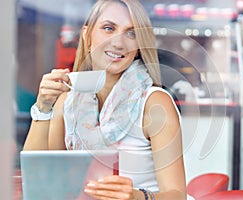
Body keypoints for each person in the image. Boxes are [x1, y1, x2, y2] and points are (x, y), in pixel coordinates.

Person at [23, 0, 187, 199]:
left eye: (131, 33)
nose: (118, 43)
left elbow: (177, 195)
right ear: (87, 34)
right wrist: (43, 107)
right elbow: (38, 181)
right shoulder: (67, 103)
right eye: (108, 28)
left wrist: (136, 197)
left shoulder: (154, 103)